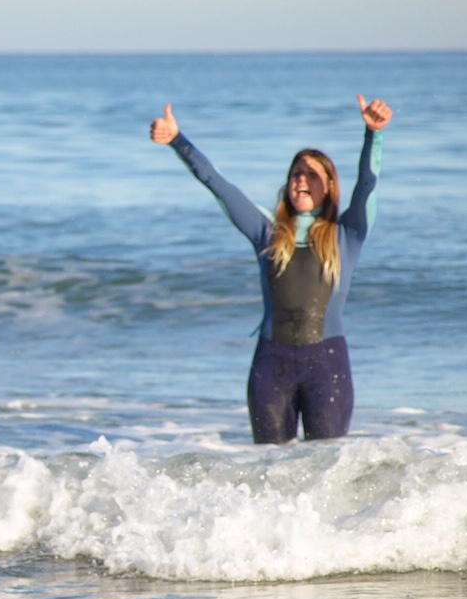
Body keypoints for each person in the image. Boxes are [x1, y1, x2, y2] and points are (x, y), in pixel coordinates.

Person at [150, 95, 393, 443]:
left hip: (327, 368)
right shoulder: (267, 231)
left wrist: (373, 135)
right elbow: (218, 184)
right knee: (268, 469)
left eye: (312, 173)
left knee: (324, 467)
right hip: (270, 366)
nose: (302, 179)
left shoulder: (347, 233)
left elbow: (367, 183)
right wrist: (177, 140)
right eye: (296, 173)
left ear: (329, 187)